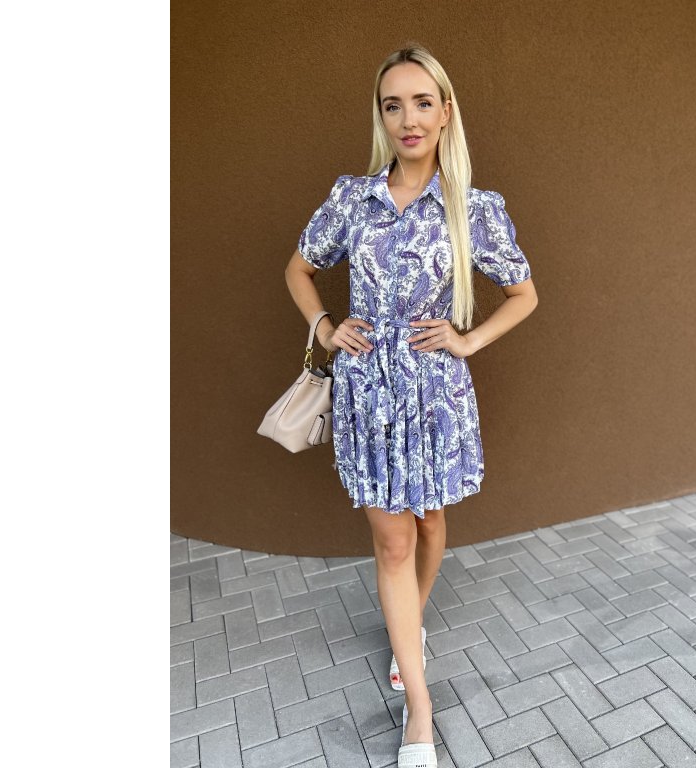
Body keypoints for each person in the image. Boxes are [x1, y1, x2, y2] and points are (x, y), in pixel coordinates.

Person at [284, 44, 538, 766]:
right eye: (393, 105)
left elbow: (524, 293)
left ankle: (410, 626)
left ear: (445, 111)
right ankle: (418, 706)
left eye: (423, 102)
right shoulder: (352, 200)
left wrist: (469, 339)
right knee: (393, 542)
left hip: (434, 395)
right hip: (369, 391)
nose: (408, 119)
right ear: (381, 117)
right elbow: (299, 268)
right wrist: (325, 327)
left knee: (429, 522)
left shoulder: (472, 209)